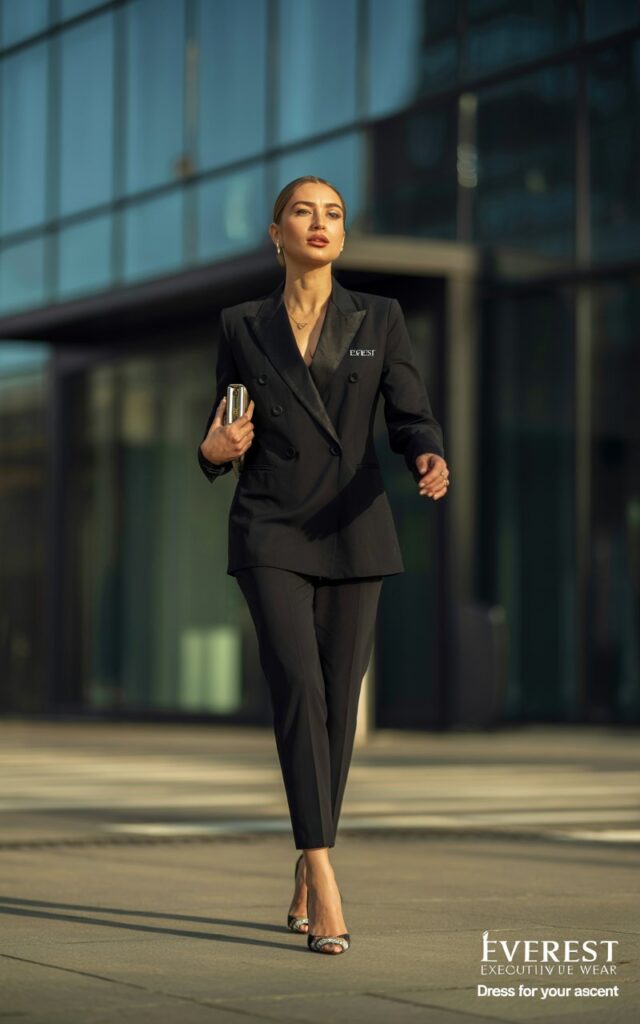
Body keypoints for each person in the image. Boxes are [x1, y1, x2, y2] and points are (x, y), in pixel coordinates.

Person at [197, 175, 450, 955]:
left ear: (343, 235)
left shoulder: (379, 319)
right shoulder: (242, 324)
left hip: (353, 526)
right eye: (303, 211)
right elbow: (223, 424)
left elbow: (409, 412)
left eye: (333, 213)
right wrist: (211, 453)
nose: (320, 223)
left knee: (339, 700)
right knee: (299, 688)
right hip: (271, 524)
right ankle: (324, 867)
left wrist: (428, 453)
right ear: (277, 233)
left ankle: (308, 855)